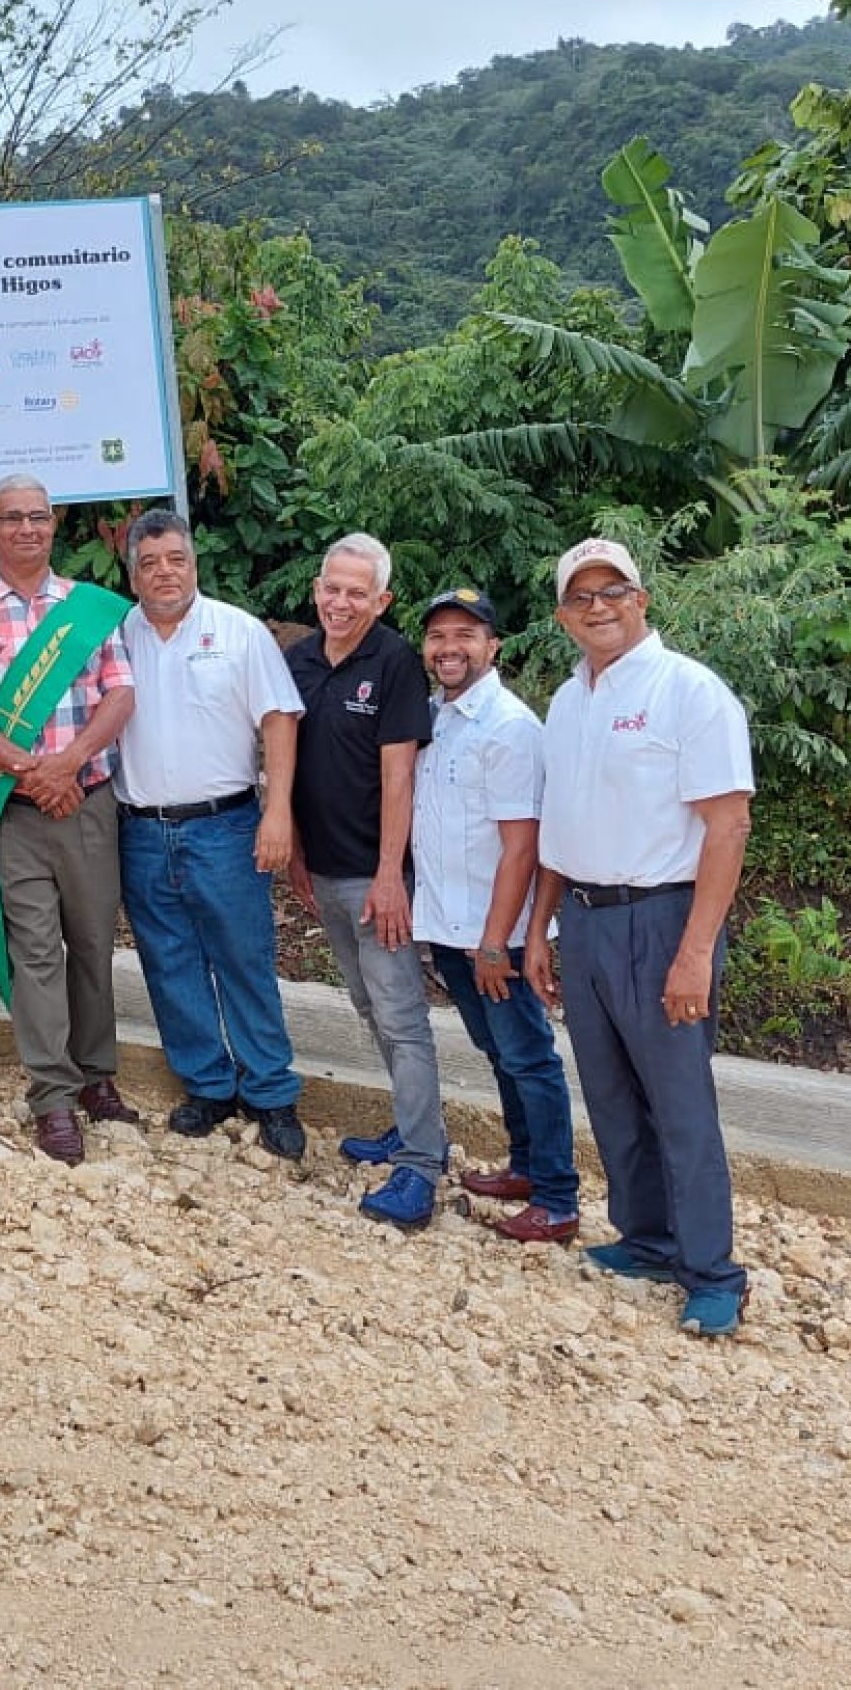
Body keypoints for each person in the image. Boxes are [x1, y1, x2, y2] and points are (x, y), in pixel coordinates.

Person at [525, 537, 754, 1338]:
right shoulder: (566, 700)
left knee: (680, 1102)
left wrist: (695, 951)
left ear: (641, 598)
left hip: (662, 919)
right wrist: (541, 928)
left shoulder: (689, 691)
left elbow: (728, 826)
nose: (597, 606)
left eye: (612, 590)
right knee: (613, 1095)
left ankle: (713, 1272)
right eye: (581, 597)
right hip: (583, 919)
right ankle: (649, 1239)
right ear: (563, 616)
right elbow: (562, 822)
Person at [0, 473, 138, 1165]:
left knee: (90, 944)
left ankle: (96, 1077)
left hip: (87, 802)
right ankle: (52, 1097)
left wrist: (71, 763)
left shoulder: (88, 611)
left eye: (39, 517)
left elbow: (119, 695)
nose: (27, 528)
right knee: (35, 954)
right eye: (12, 517)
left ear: (53, 527)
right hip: (19, 813)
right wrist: (34, 773)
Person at [114, 509, 307, 1157]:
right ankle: (208, 1086)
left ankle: (272, 1093)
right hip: (141, 830)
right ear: (132, 572)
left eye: (176, 560)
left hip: (225, 826)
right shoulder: (115, 638)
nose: (165, 573)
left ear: (194, 563)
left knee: (244, 961)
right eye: (150, 563)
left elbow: (279, 720)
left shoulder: (238, 631)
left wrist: (277, 810)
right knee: (169, 963)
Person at [285, 532, 447, 1228]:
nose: (341, 602)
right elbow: (285, 762)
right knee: (365, 1004)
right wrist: (294, 853)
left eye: (358, 592)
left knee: (402, 1017)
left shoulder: (396, 664)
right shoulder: (297, 661)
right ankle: (409, 1129)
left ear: (381, 600)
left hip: (374, 877)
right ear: (317, 589)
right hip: (320, 870)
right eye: (332, 588)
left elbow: (399, 776)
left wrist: (389, 875)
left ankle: (421, 1165)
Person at [412, 584, 579, 1241]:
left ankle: (559, 1198)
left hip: (495, 936)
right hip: (449, 926)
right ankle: (526, 1167)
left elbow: (521, 846)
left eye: (465, 636)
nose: (450, 648)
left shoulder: (508, 728)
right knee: (498, 1051)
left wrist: (492, 942)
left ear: (492, 646)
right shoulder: (434, 717)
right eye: (438, 637)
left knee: (529, 1055)